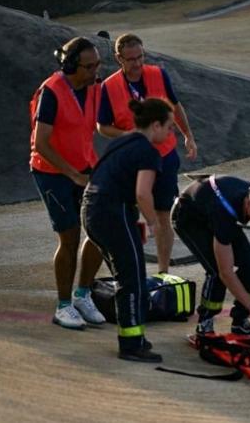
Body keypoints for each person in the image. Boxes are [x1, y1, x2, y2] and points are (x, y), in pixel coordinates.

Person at [98, 33, 198, 278]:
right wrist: (131, 134)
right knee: (130, 214)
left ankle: (163, 272)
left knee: (164, 214)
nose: (137, 63)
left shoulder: (158, 75)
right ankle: (134, 270)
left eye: (140, 57)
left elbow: (175, 106)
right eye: (131, 59)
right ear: (119, 58)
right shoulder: (108, 86)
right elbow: (102, 126)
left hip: (163, 155)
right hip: (131, 159)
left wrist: (188, 136)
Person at [82, 98, 174, 362]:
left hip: (92, 209)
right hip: (112, 212)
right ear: (155, 125)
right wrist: (153, 222)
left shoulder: (122, 141)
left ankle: (135, 336)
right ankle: (131, 343)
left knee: (127, 275)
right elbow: (143, 193)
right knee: (132, 278)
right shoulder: (147, 151)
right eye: (168, 127)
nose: (170, 134)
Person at [29, 36, 106, 330]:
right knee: (70, 236)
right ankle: (63, 306)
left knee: (99, 230)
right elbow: (41, 142)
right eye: (89, 67)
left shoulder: (94, 87)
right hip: (51, 172)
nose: (95, 71)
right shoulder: (52, 91)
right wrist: (72, 174)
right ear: (72, 65)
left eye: (98, 65)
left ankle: (83, 294)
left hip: (86, 166)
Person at [171, 175, 250, 334]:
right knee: (216, 271)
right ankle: (205, 322)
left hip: (214, 210)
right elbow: (226, 272)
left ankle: (240, 320)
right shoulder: (223, 211)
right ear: (248, 204)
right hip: (189, 217)